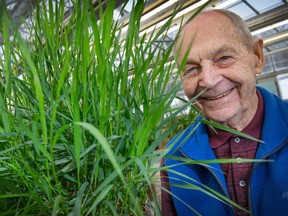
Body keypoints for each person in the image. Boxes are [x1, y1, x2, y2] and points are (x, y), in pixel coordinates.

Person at [161, 8, 288, 216]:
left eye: (224, 58)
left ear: (257, 57)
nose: (209, 81)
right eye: (191, 69)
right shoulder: (175, 158)